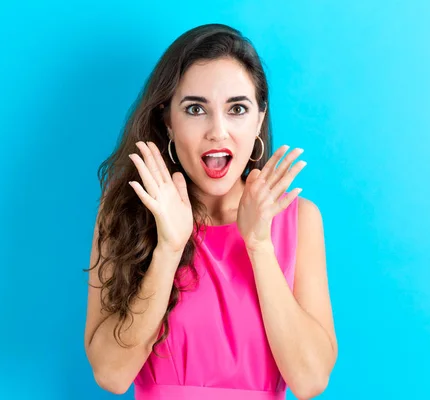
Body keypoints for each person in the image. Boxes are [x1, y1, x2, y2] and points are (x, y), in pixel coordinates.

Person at [84, 23, 337, 400]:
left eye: (237, 108)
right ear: (168, 120)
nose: (217, 131)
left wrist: (259, 245)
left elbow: (310, 380)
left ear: (258, 120)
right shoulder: (126, 210)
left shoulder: (299, 219)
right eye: (196, 109)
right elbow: (111, 374)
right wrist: (168, 249)